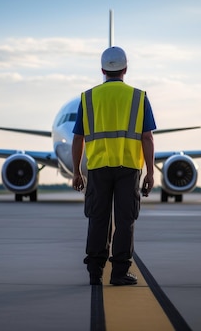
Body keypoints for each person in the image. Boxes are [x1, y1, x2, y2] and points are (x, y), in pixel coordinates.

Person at [72, 46, 156, 286]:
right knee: (125, 220)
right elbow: (147, 137)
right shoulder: (139, 97)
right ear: (125, 69)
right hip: (128, 168)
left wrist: (77, 171)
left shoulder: (88, 97)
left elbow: (78, 137)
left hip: (97, 167)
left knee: (98, 219)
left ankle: (95, 272)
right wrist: (150, 172)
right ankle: (119, 273)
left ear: (102, 70)